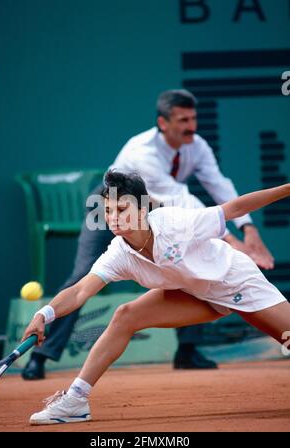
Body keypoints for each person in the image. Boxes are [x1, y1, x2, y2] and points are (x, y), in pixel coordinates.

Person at [22, 89, 274, 379]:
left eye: (193, 118)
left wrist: (248, 227)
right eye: (183, 120)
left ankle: (187, 351)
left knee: (191, 263)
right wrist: (232, 240)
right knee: (83, 275)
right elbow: (181, 198)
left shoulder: (198, 145)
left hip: (150, 210)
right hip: (108, 203)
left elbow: (218, 183)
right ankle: (40, 355)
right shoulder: (142, 151)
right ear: (163, 123)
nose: (191, 126)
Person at [22, 170, 290, 425]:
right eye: (108, 211)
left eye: (122, 209)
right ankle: (75, 401)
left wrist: (287, 189)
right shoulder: (119, 253)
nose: (114, 217)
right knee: (125, 316)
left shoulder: (176, 224)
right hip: (196, 294)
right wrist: (43, 314)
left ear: (141, 209)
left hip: (234, 279)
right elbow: (81, 290)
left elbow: (234, 208)